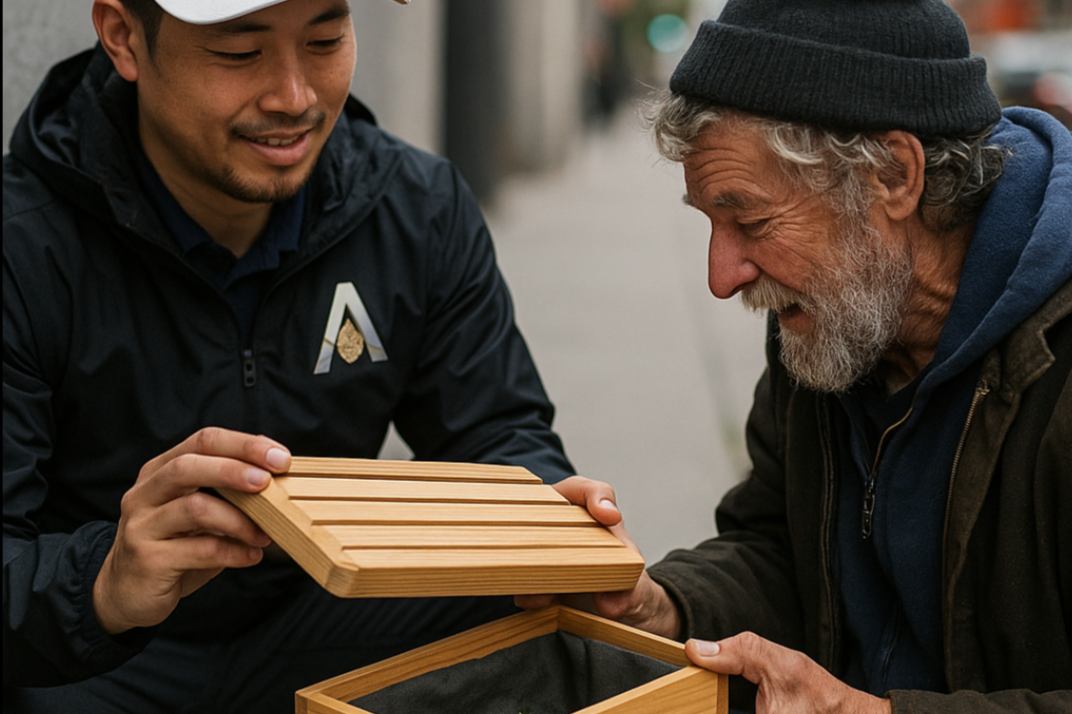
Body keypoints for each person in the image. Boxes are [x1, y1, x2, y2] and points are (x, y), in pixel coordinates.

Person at [3, 0, 575, 711]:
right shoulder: (23, 244)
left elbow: (496, 430)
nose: (294, 97)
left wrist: (545, 513)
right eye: (240, 54)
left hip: (320, 614)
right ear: (124, 38)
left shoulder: (417, 208)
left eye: (325, 39)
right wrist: (106, 580)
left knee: (547, 623)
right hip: (99, 652)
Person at [523, 1, 1071, 712]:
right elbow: (780, 548)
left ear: (895, 176)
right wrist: (654, 604)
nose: (722, 277)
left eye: (749, 220)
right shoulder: (837, 313)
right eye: (712, 224)